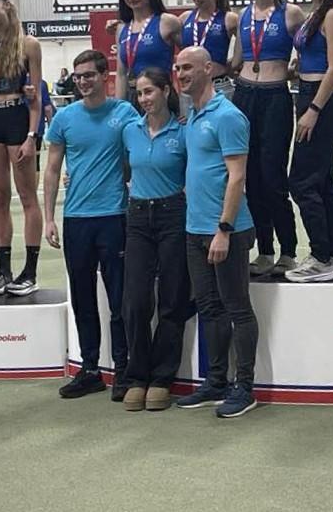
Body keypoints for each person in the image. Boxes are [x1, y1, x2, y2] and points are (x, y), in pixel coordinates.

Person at [45, 49, 139, 400]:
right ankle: (90, 370)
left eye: (89, 75)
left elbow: (139, 153)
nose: (83, 81)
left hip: (114, 217)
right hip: (76, 220)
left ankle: (124, 369)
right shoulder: (64, 118)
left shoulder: (125, 112)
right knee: (83, 298)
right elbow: (52, 169)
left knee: (119, 300)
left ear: (104, 76)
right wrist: (49, 218)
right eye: (78, 76)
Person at [173, 47, 259, 419]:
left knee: (237, 308)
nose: (180, 74)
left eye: (188, 67)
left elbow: (237, 177)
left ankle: (245, 387)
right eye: (177, 68)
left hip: (228, 231)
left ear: (208, 69)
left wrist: (223, 229)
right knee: (209, 307)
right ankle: (216, 382)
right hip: (194, 229)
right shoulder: (192, 115)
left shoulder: (228, 116)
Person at [119, 67, 189, 411]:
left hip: (173, 215)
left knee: (172, 300)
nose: (144, 99)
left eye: (149, 91)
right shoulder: (129, 131)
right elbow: (123, 168)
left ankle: (162, 378)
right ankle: (137, 376)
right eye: (139, 93)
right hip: (137, 217)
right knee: (134, 301)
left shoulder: (183, 132)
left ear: (166, 91)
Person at [233, 0, 304, 276]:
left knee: (273, 178)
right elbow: (237, 60)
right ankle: (264, 250)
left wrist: (296, 68)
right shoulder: (243, 16)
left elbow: (309, 50)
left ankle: (288, 251)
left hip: (275, 97)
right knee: (251, 178)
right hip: (244, 94)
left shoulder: (291, 14)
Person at [284, 0, 333, 283]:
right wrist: (296, 69)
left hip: (321, 102)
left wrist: (313, 110)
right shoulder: (314, 15)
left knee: (301, 181)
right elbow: (315, 58)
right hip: (307, 93)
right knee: (323, 181)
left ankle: (321, 257)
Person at [0, 0, 44, 296]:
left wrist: (31, 136)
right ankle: (4, 270)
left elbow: (36, 97)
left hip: (18, 120)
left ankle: (30, 271)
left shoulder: (29, 44)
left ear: (6, 4)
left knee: (27, 196)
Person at [114, 0, 182, 104]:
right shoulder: (121, 29)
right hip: (133, 97)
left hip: (161, 98)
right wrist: (119, 108)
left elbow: (190, 59)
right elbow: (121, 74)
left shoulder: (167, 22)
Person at [178, 0, 239, 114]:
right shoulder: (184, 19)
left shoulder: (229, 19)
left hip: (218, 87)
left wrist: (231, 65)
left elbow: (248, 46)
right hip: (189, 90)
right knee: (190, 128)